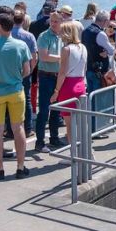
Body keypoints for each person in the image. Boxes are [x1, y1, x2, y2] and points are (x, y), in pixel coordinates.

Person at [0, 13, 32, 180]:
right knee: (18, 128)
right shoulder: (21, 45)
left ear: (0, 26)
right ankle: (20, 166)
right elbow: (27, 70)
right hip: (16, 91)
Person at [49, 21, 87, 147]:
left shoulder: (66, 49)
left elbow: (62, 72)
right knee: (81, 123)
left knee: (69, 125)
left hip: (68, 86)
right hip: (80, 84)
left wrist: (56, 91)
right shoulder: (83, 47)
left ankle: (73, 154)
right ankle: (88, 151)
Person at [81, 10, 116, 137]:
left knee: (91, 99)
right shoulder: (100, 34)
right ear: (105, 21)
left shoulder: (85, 31)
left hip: (89, 69)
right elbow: (112, 51)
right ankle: (97, 129)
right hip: (100, 71)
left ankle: (92, 126)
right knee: (99, 101)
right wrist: (110, 51)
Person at [35, 11, 65, 152]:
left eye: (56, 21)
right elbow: (44, 56)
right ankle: (40, 142)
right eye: (52, 21)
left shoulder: (62, 36)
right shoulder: (44, 36)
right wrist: (61, 58)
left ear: (61, 22)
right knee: (44, 110)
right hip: (46, 75)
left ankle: (54, 138)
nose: (53, 24)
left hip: (58, 76)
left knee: (56, 109)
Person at [11, 10, 38, 136]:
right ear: (23, 21)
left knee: (8, 99)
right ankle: (27, 128)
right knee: (26, 99)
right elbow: (34, 56)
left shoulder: (7, 34)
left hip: (9, 71)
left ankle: (9, 129)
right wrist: (31, 69)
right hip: (24, 71)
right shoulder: (29, 36)